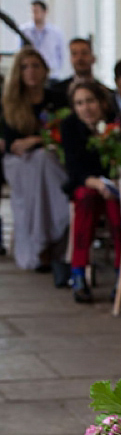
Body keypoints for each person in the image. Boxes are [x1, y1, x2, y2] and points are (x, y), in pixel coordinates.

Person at [1, 47, 70, 271]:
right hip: (19, 163)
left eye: (35, 66)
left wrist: (36, 140)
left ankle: (49, 238)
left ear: (44, 70)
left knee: (44, 160)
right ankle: (40, 242)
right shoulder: (10, 103)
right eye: (25, 67)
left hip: (51, 158)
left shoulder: (58, 99)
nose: (31, 72)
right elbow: (14, 144)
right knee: (39, 163)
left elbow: (65, 134)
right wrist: (38, 142)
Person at [60, 80, 121, 302]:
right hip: (85, 184)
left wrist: (111, 183)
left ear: (102, 102)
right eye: (79, 103)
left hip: (114, 185)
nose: (85, 108)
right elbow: (74, 168)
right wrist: (97, 183)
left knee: (117, 206)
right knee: (85, 199)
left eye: (90, 101)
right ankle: (78, 272)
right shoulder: (70, 126)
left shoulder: (116, 125)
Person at [18, 0, 65, 80]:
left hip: (51, 74)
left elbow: (60, 55)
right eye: (32, 12)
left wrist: (57, 70)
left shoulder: (55, 33)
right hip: (30, 74)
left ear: (44, 12)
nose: (33, 15)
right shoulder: (24, 31)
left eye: (36, 11)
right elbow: (19, 52)